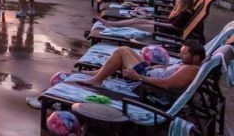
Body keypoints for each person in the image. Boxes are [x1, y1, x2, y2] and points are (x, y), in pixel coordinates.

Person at [78, 41, 206, 90]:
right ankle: (99, 73)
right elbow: (169, 71)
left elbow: (167, 84)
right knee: (127, 49)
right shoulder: (188, 64)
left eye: (184, 54)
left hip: (146, 81)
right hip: (148, 72)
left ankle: (97, 79)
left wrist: (138, 77)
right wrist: (157, 67)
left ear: (195, 58)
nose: (180, 55)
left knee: (121, 52)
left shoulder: (191, 70)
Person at [95, 0, 195, 33]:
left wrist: (155, 23)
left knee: (136, 25)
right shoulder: (182, 11)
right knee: (136, 20)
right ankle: (110, 24)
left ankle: (111, 27)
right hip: (161, 26)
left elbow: (175, 27)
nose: (176, 1)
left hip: (163, 30)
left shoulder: (185, 13)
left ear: (183, 2)